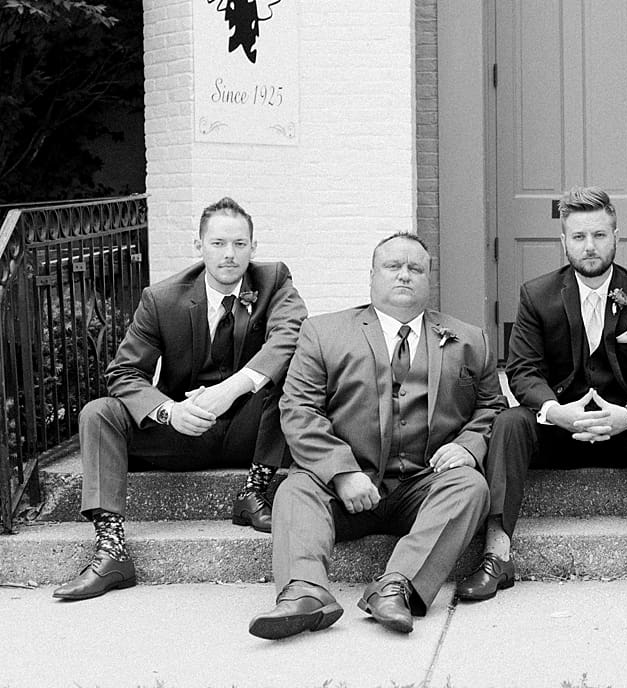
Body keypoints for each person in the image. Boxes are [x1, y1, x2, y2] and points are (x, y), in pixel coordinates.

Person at [456, 186, 627, 602]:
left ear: (616, 235)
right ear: (564, 242)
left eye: (599, 234)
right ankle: (497, 553)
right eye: (578, 237)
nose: (589, 246)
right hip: (561, 431)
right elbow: (522, 370)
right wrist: (554, 411)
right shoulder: (536, 295)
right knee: (508, 422)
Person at [249, 232, 505, 639]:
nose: (404, 275)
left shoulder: (470, 340)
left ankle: (394, 587)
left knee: (471, 487)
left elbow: (492, 408)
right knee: (295, 489)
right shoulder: (323, 333)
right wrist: (340, 472)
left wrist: (468, 446)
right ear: (371, 275)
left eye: (415, 268)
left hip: (423, 486)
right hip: (344, 489)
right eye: (392, 267)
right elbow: (298, 410)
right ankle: (305, 593)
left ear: (429, 278)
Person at [54, 197, 307, 601]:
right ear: (199, 245)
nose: (230, 254)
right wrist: (168, 411)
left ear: (254, 248)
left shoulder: (274, 280)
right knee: (98, 413)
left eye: (240, 244)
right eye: (219, 243)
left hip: (253, 430)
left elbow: (291, 335)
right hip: (185, 432)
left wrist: (233, 388)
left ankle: (253, 491)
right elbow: (123, 372)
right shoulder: (162, 298)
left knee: (291, 368)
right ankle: (112, 549)